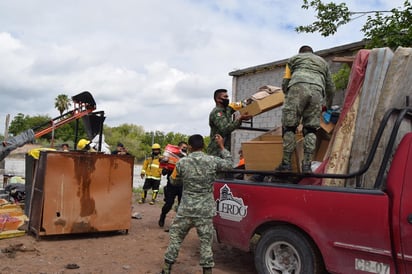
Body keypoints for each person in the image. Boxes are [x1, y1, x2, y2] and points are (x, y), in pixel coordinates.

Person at [160, 134, 233, 274]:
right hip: (205, 211)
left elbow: (174, 181)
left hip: (186, 209)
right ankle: (207, 270)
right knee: (205, 242)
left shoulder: (182, 162)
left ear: (190, 147)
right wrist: (222, 146)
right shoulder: (212, 160)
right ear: (203, 146)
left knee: (176, 238)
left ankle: (167, 268)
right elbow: (229, 165)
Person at [277, 45, 335, 173]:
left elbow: (286, 81)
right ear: (312, 53)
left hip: (297, 87)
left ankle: (286, 165)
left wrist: (288, 94)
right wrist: (329, 106)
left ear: (300, 52)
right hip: (317, 91)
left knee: (289, 127)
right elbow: (331, 87)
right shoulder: (323, 62)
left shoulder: (294, 59)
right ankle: (307, 166)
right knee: (310, 129)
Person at [207, 89, 252, 156]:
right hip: (216, 152)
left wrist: (255, 98)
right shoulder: (217, 112)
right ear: (218, 99)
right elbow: (225, 129)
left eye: (227, 96)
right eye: (225, 97)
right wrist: (240, 119)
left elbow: (243, 103)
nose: (227, 99)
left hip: (225, 149)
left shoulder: (228, 109)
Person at [158, 141, 188, 229]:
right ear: (178, 148)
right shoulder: (171, 158)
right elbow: (163, 172)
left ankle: (178, 224)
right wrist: (166, 165)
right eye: (183, 147)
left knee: (181, 205)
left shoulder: (187, 159)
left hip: (182, 185)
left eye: (186, 148)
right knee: (169, 204)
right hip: (171, 185)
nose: (184, 149)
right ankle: (163, 215)